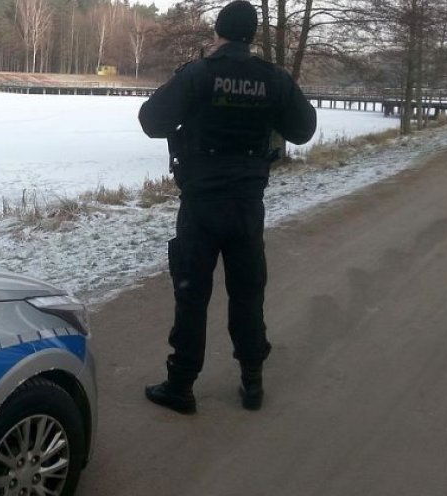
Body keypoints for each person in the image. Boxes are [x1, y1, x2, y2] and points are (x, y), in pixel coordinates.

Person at [138, 0, 317, 414]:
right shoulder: (273, 79)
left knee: (191, 295)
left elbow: (152, 121)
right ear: (252, 36)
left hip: (201, 204)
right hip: (247, 205)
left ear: (218, 32)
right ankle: (252, 384)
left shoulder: (200, 73)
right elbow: (303, 129)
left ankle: (180, 386)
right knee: (248, 293)